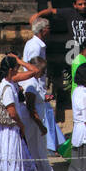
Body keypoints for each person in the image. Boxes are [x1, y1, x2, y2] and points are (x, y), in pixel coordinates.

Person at [33, 0, 86, 121]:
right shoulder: (69, 13)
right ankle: (75, 102)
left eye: (85, 4)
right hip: (74, 51)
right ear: (74, 5)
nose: (83, 6)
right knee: (72, 78)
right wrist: (37, 15)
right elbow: (51, 10)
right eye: (80, 4)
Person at [23, 17, 63, 153]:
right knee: (43, 115)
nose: (50, 30)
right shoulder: (35, 46)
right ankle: (49, 146)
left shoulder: (35, 44)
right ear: (42, 30)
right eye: (48, 28)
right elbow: (34, 68)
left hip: (38, 85)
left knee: (47, 115)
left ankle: (51, 144)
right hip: (36, 86)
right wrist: (41, 90)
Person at [16, 48, 55, 171]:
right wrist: (41, 126)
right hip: (32, 122)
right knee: (34, 148)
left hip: (36, 120)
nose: (44, 72)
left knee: (38, 147)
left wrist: (44, 98)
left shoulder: (34, 81)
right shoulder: (31, 83)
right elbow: (30, 107)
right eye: (42, 69)